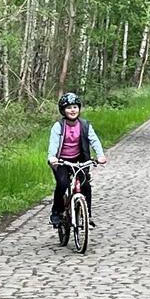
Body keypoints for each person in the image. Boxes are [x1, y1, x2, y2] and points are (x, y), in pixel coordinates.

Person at [47, 91, 106, 234]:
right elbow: (53, 144)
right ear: (63, 110)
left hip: (80, 160)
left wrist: (100, 155)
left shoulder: (85, 125)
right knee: (62, 184)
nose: (72, 110)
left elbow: (94, 140)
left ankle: (88, 216)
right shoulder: (58, 126)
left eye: (75, 107)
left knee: (85, 185)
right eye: (68, 108)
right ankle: (57, 212)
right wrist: (52, 157)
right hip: (61, 161)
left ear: (79, 108)